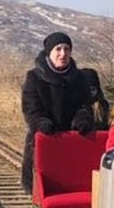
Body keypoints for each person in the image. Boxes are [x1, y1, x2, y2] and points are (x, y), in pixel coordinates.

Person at [20, 31, 95, 192]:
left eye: (67, 49)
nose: (63, 54)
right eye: (58, 49)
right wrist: (40, 123)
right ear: (49, 52)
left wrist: (82, 119)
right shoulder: (34, 77)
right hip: (45, 141)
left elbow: (84, 105)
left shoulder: (79, 78)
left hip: (72, 142)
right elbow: (30, 108)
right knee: (44, 193)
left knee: (71, 189)